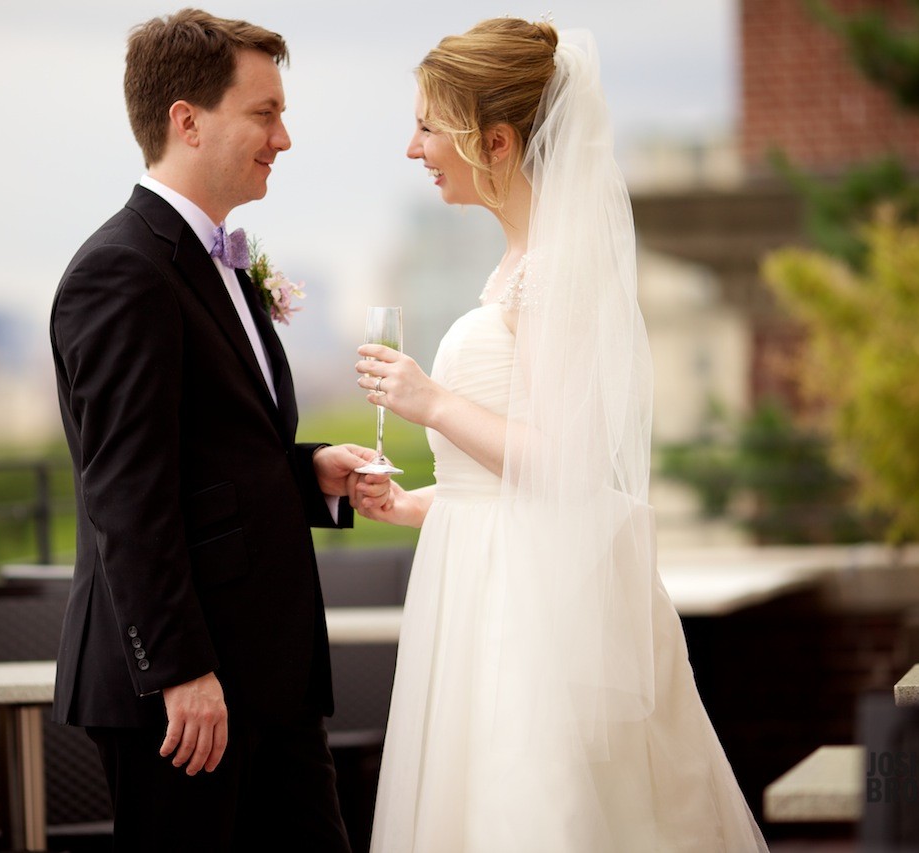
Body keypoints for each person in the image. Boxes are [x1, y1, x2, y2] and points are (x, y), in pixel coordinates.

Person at [354, 19, 769, 852]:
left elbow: (566, 464)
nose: (413, 148)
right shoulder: (513, 265)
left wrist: (427, 401)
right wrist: (413, 505)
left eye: (430, 126)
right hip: (484, 588)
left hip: (531, 618)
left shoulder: (556, 273)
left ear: (495, 140)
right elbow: (509, 482)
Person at [48, 9, 385, 851]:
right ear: (186, 121)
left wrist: (309, 473)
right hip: (188, 695)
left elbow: (214, 450)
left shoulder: (218, 260)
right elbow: (126, 493)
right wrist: (181, 672)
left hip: (269, 677)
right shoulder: (121, 272)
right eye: (265, 112)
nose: (286, 137)